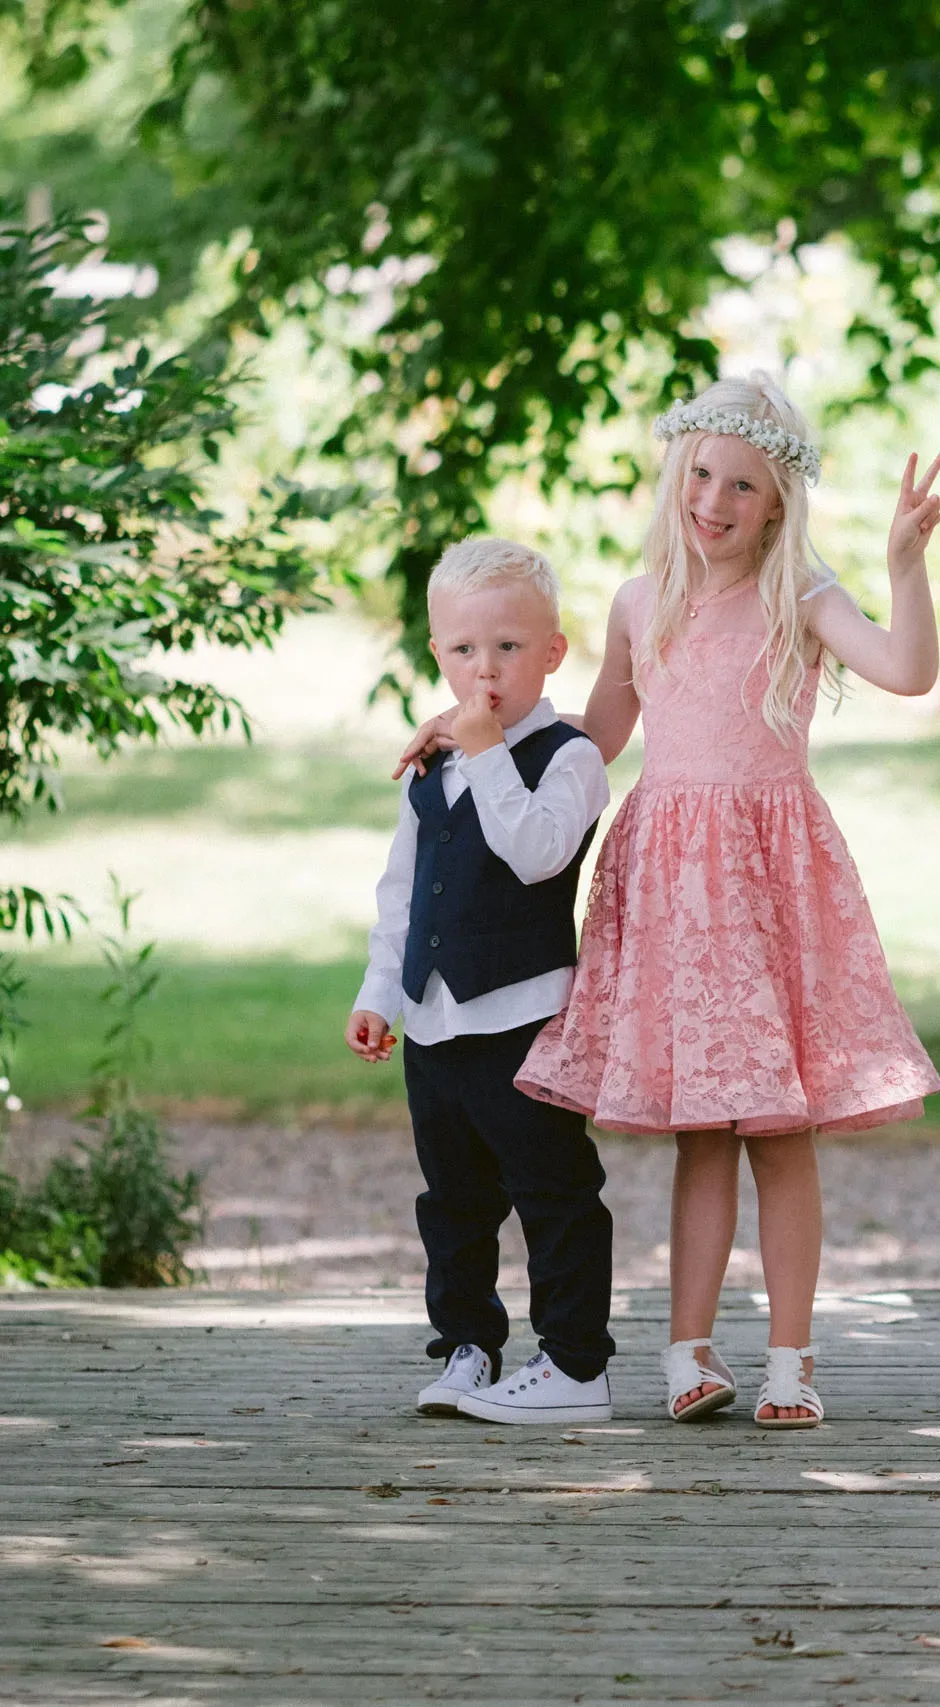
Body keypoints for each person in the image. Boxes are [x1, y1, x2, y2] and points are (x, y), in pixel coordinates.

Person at [398, 373, 940, 1428]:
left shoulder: (802, 598)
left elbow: (909, 670)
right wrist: (467, 730)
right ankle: (687, 1355)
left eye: (743, 484)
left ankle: (791, 1360)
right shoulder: (642, 602)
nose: (715, 500)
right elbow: (587, 742)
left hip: (769, 882)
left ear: (777, 502)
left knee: (780, 1130)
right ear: (675, 474)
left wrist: (904, 568)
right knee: (704, 1127)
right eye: (701, 474)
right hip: (670, 888)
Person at [348, 538, 618, 1425]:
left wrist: (488, 749)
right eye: (464, 649)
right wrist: (380, 994)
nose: (486, 668)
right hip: (432, 1019)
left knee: (553, 1190)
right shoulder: (433, 762)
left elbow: (538, 854)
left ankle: (576, 1363)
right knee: (452, 1198)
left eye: (508, 647)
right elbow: (402, 891)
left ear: (552, 652)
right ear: (438, 653)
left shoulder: (570, 757)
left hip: (525, 1019)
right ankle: (467, 1343)